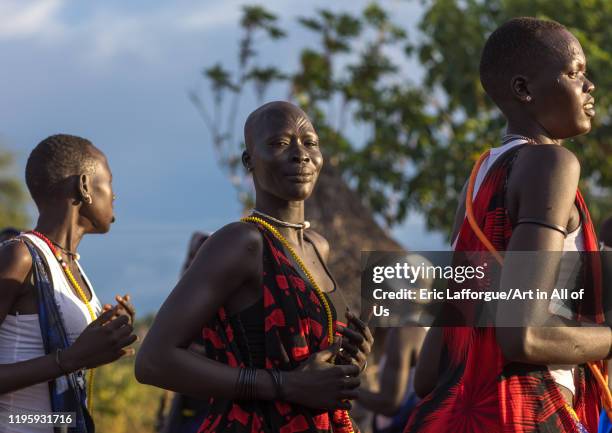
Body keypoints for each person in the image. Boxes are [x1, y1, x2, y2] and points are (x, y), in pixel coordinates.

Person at [404, 18, 610, 433]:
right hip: (528, 415)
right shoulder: (551, 164)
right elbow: (523, 337)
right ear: (524, 89)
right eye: (574, 73)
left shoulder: (477, 183)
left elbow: (428, 374)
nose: (588, 86)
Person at [136, 101, 373, 433]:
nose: (300, 154)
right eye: (279, 143)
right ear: (249, 161)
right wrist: (283, 385)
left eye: (310, 142)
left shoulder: (319, 247)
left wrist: (349, 362)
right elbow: (152, 362)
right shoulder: (242, 242)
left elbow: (303, 361)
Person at [0, 134, 138, 433]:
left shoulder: (70, 265)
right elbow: (64, 362)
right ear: (85, 186)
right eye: (109, 182)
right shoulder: (19, 256)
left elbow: (58, 364)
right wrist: (73, 358)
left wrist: (104, 341)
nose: (114, 195)